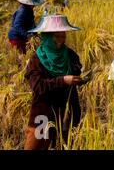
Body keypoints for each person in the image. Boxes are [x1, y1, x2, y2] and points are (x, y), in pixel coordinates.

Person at [24, 15, 84, 150]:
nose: (60, 40)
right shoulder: (36, 60)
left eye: (63, 36)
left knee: (65, 145)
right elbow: (37, 86)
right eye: (56, 36)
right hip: (43, 114)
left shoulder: (70, 55)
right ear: (47, 37)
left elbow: (76, 71)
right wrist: (62, 80)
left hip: (67, 112)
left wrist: (80, 78)